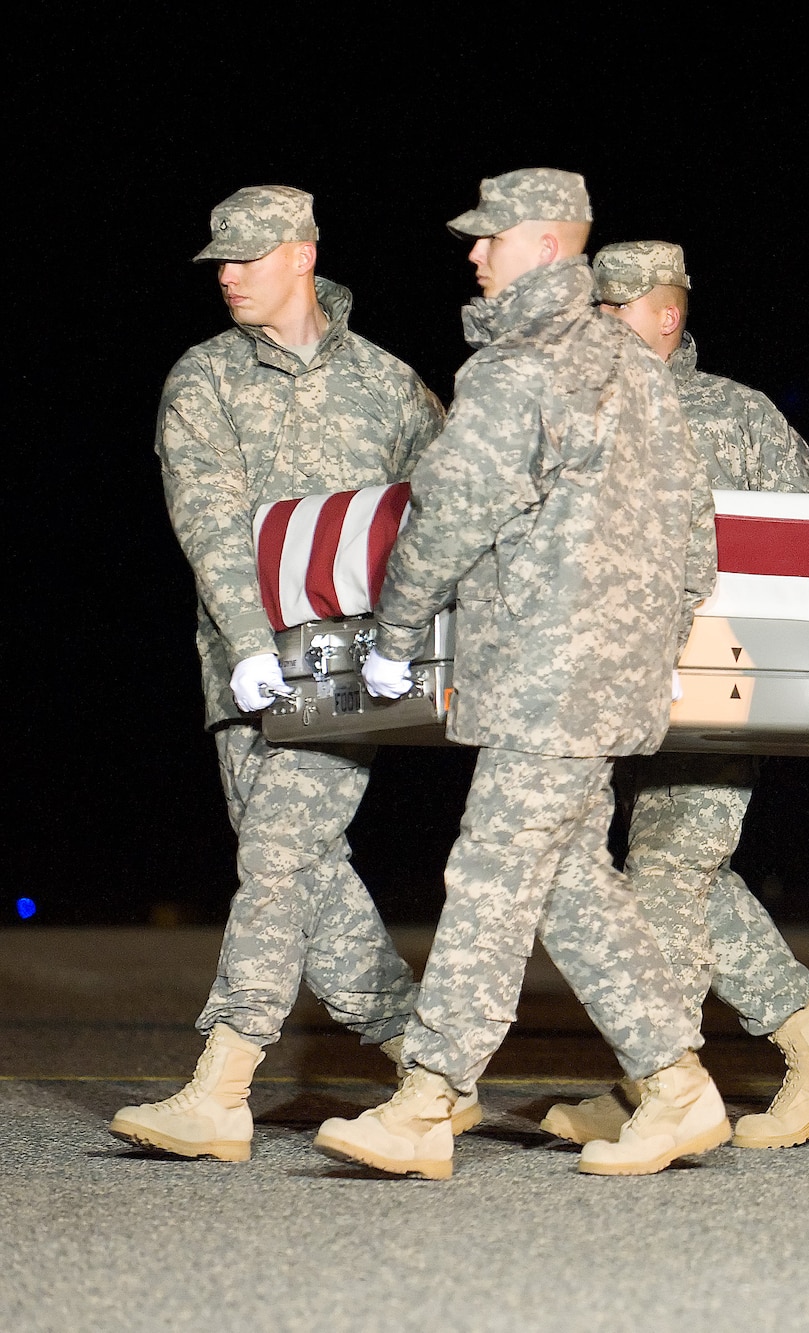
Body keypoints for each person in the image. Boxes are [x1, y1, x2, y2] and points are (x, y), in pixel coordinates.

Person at [312, 169, 719, 1180]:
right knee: (572, 883)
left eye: (489, 238)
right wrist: (645, 641)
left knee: (491, 872)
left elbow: (449, 510)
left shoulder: (516, 367)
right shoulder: (639, 370)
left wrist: (398, 622)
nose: (474, 254)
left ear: (541, 246)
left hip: (546, 673)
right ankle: (677, 1087)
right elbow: (697, 541)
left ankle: (426, 1099)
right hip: (612, 675)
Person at [114, 185, 470, 1162]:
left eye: (247, 257)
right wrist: (248, 645)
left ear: (302, 255)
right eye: (219, 261)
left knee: (278, 852)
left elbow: (440, 518)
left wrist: (423, 638)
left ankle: (221, 1089)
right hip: (242, 667)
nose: (226, 275)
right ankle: (422, 1063)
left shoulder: (392, 386)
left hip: (349, 669)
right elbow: (210, 520)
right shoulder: (204, 379)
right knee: (301, 872)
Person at [540, 242, 809, 1152]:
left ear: (666, 314)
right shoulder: (566, 405)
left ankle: (664, 1079)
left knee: (668, 871)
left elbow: (807, 550)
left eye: (617, 311)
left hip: (717, 685)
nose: (600, 326)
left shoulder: (737, 415)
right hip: (606, 683)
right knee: (675, 873)